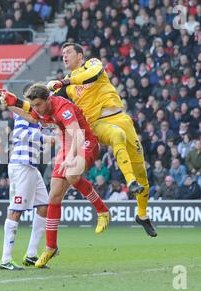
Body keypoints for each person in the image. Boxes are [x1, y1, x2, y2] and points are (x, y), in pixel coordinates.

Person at [46, 42, 156, 237]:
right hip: (97, 125)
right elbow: (46, 101)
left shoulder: (92, 65)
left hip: (122, 119)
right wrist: (31, 100)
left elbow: (92, 75)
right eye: (62, 54)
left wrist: (64, 83)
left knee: (142, 172)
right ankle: (129, 183)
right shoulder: (66, 83)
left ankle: (142, 214)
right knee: (116, 136)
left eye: (68, 52)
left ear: (81, 55)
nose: (64, 56)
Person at [0, 84, 111, 268]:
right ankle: (50, 247)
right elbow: (31, 117)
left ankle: (102, 210)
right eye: (33, 105)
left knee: (72, 174)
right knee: (54, 196)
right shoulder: (41, 108)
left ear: (47, 100)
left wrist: (70, 156)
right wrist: (11, 105)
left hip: (85, 141)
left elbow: (77, 135)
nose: (36, 109)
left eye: (38, 105)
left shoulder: (62, 107)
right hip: (67, 145)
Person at [0, 108, 52, 271]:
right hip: (21, 165)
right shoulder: (23, 113)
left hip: (32, 166)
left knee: (44, 207)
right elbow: (19, 134)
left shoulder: (38, 116)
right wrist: (48, 139)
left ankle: (31, 255)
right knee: (16, 211)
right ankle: (5, 259)